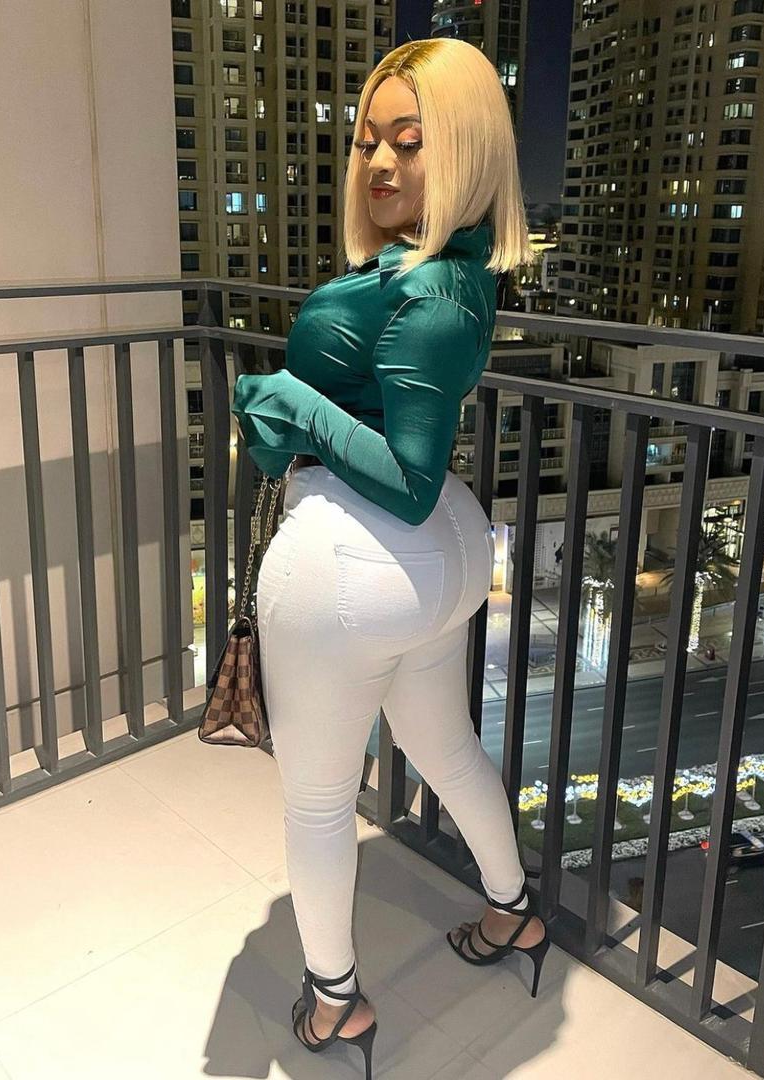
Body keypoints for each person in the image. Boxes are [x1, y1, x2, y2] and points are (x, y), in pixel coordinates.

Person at [231, 38, 547, 1075]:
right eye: (369, 139)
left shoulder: (435, 289)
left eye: (410, 142)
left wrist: (289, 403)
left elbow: (405, 472)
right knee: (444, 747)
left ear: (465, 151)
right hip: (428, 561)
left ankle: (336, 1005)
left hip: (361, 554)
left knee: (320, 801)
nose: (378, 161)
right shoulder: (442, 272)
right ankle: (513, 911)